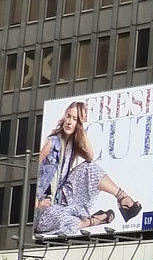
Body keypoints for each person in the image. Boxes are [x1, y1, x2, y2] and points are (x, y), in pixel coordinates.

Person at [34, 100, 143, 235]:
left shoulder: (71, 145)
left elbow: (90, 157)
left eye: (75, 119)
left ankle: (123, 198)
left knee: (89, 168)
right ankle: (93, 221)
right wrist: (37, 204)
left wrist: (80, 128)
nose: (69, 121)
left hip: (60, 198)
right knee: (63, 219)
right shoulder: (52, 143)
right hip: (42, 211)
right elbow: (30, 174)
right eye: (68, 116)